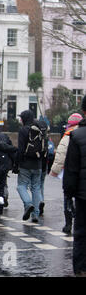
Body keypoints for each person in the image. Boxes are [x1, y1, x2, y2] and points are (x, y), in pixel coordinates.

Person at [63, 95, 86, 277]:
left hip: (83, 195)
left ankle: (80, 269)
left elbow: (71, 169)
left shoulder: (76, 135)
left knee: (81, 232)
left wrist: (68, 194)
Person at [50, 113, 83, 234]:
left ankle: (68, 223)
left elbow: (61, 154)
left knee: (67, 196)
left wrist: (54, 170)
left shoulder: (68, 134)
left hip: (69, 171)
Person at [15, 110, 43, 223]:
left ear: (24, 119)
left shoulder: (23, 130)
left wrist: (16, 163)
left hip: (25, 164)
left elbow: (21, 149)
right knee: (36, 188)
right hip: (38, 164)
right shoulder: (40, 129)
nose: (20, 120)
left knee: (21, 186)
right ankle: (35, 214)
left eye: (21, 118)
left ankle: (28, 204)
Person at [37, 120, 49, 216]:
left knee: (35, 185)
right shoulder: (46, 138)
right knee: (41, 185)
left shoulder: (35, 137)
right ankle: (41, 200)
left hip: (36, 165)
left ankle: (38, 202)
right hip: (44, 165)